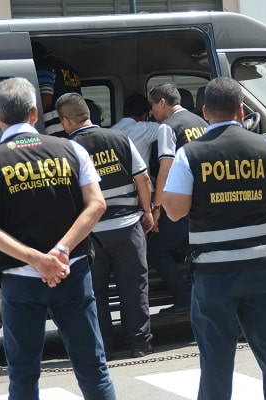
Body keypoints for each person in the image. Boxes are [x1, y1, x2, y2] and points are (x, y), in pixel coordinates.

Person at [0, 77, 115, 399]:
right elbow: (96, 204)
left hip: (20, 279)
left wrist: (37, 261)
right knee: (93, 367)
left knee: (23, 375)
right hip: (72, 270)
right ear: (34, 113)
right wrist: (61, 251)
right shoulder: (71, 149)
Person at [163, 77, 266, 400]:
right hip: (263, 269)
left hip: (214, 273)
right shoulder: (265, 147)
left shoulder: (190, 154)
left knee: (216, 360)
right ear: (241, 110)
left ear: (205, 112)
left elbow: (175, 211)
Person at [56, 92, 154, 360]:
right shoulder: (120, 137)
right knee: (134, 286)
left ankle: (104, 347)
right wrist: (147, 211)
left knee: (94, 291)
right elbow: (143, 178)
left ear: (65, 121)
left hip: (90, 234)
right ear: (87, 113)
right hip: (128, 226)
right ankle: (140, 344)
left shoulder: (66, 150)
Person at [147, 83, 209, 315]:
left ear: (162, 102)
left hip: (182, 202)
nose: (151, 112)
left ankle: (186, 299)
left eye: (153, 106)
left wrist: (157, 207)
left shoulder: (167, 127)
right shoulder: (200, 122)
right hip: (205, 201)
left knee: (156, 250)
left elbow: (166, 169)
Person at [112, 93, 174, 174]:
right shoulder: (144, 128)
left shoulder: (112, 130)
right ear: (145, 114)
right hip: (141, 179)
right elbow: (171, 128)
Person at [32, 42, 81, 138]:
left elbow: (46, 100)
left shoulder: (44, 66)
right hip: (74, 125)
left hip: (55, 128)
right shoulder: (69, 69)